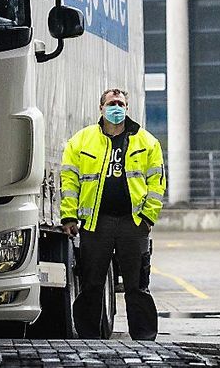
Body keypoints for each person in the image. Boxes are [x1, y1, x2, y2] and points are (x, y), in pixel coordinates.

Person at [59, 88, 166, 341]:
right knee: (92, 285)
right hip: (97, 224)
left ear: (127, 108)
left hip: (133, 224)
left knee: (137, 285)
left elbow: (157, 182)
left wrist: (149, 217)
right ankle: (88, 337)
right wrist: (69, 216)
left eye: (120, 104)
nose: (116, 108)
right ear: (101, 108)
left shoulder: (147, 142)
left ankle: (144, 338)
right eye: (111, 103)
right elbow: (69, 180)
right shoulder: (81, 141)